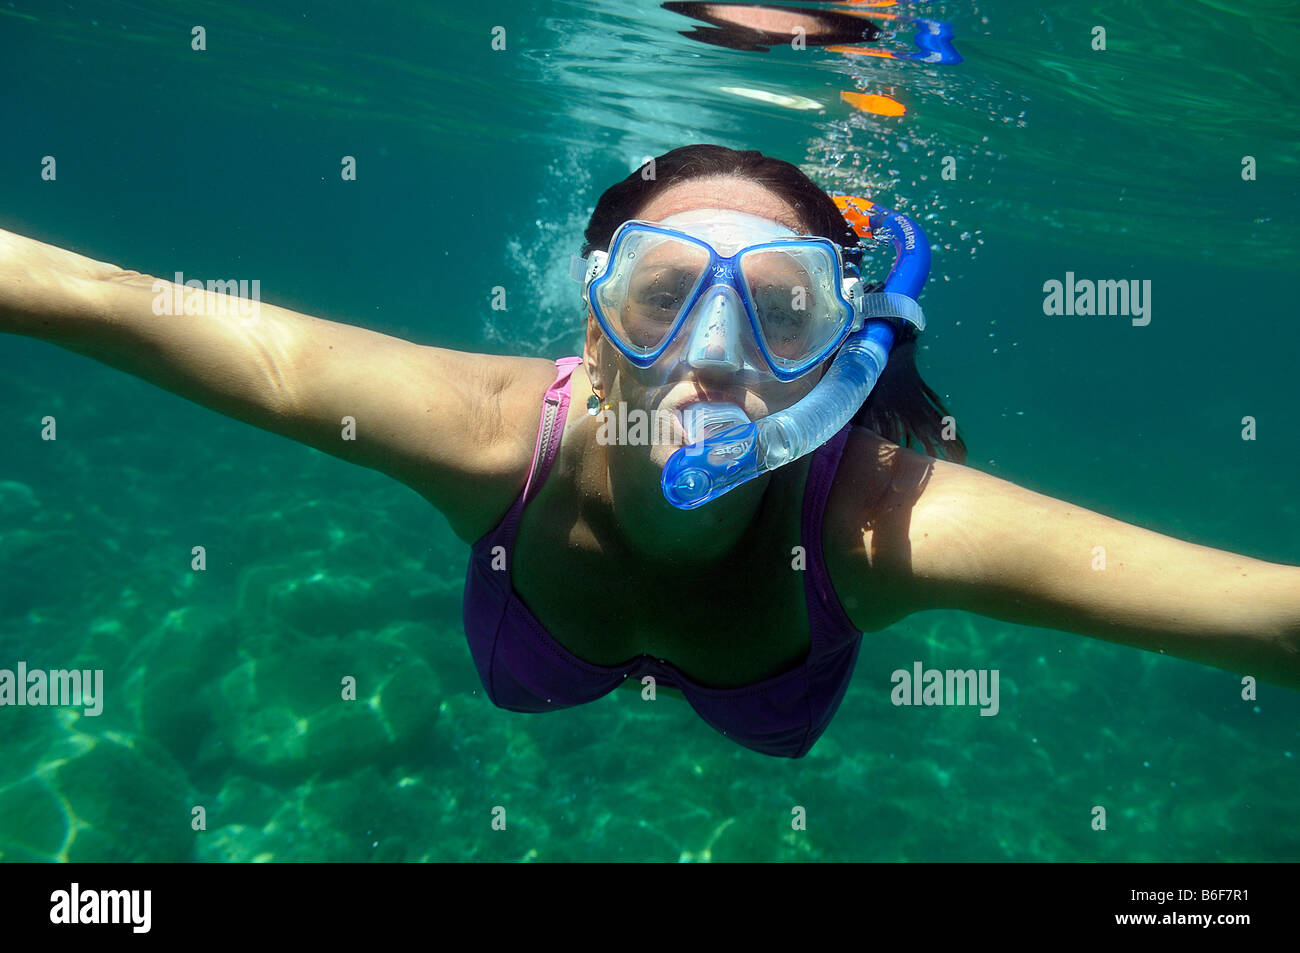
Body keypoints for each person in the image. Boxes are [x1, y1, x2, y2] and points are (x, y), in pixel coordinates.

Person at [2, 144, 1296, 759]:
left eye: (784, 309)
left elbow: (1262, 620)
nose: (714, 354)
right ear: (592, 316)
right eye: (662, 291)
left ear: (824, 350)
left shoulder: (880, 524)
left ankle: (889, 320)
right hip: (560, 661)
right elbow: (118, 299)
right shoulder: (491, 436)